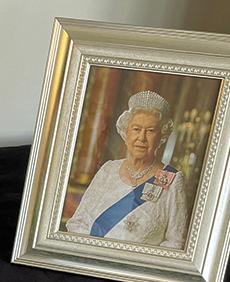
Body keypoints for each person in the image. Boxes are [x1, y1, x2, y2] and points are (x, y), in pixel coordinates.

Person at [65, 90, 189, 249]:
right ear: (126, 133)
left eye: (150, 131)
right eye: (136, 129)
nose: (142, 138)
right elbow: (78, 222)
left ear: (161, 136)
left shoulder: (172, 179)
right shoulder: (108, 169)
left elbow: (175, 242)